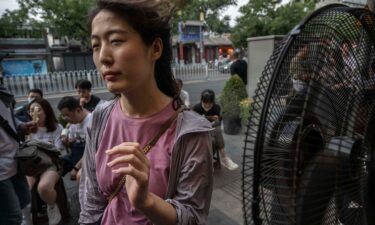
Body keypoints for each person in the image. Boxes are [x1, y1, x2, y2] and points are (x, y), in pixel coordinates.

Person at [79, 1, 213, 224]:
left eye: (116, 41)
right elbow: (91, 204)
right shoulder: (100, 118)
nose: (103, 57)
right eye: (95, 45)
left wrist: (146, 201)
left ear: (156, 49)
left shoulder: (190, 132)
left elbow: (192, 217)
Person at [26, 97, 64, 225]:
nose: (34, 113)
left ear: (46, 111)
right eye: (31, 110)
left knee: (44, 187)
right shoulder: (27, 129)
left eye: (38, 110)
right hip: (32, 164)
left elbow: (59, 150)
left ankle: (52, 206)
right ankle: (27, 215)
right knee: (25, 187)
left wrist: (42, 145)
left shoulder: (57, 127)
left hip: (50, 164)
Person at [0, 84, 35, 225]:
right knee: (11, 217)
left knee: (25, 203)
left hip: (14, 159)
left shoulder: (3, 91)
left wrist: (20, 125)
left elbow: (8, 118)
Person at [192, 89, 239, 170]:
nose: (207, 105)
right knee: (215, 136)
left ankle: (211, 161)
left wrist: (217, 119)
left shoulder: (216, 107)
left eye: (209, 103)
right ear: (202, 101)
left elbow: (218, 123)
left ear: (213, 102)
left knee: (215, 133)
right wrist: (201, 120)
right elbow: (191, 124)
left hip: (212, 132)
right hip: (199, 133)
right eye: (205, 103)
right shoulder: (196, 108)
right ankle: (224, 158)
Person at [58, 96, 92, 181]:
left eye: (67, 115)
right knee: (54, 166)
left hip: (89, 157)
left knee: (79, 175)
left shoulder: (91, 122)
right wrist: (67, 142)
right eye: (63, 116)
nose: (65, 119)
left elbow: (91, 151)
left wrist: (76, 168)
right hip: (76, 155)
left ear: (78, 110)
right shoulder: (73, 123)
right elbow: (71, 143)